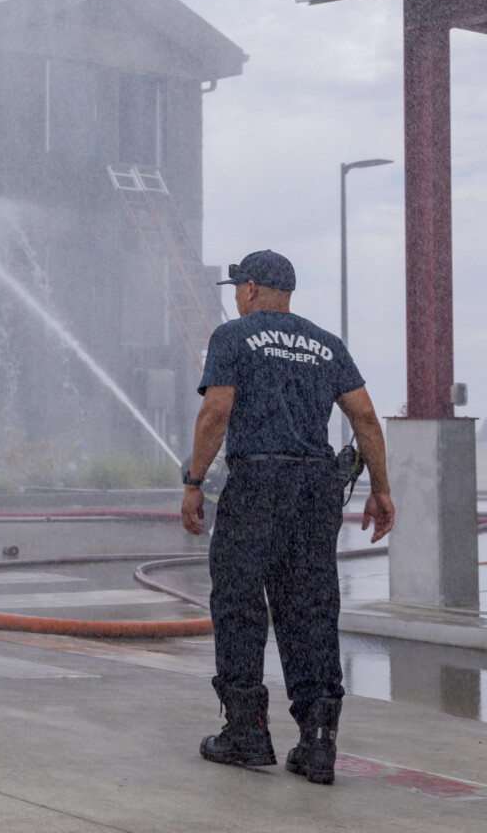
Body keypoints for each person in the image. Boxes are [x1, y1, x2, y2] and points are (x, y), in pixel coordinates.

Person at [181, 249, 394, 786]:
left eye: (237, 287)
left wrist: (192, 481)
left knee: (239, 601)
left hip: (259, 483)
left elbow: (217, 410)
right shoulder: (325, 343)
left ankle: (247, 732)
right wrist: (381, 490)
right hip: (315, 486)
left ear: (251, 289)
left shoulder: (233, 337)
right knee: (310, 607)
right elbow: (365, 416)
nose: (234, 296)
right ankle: (318, 742)